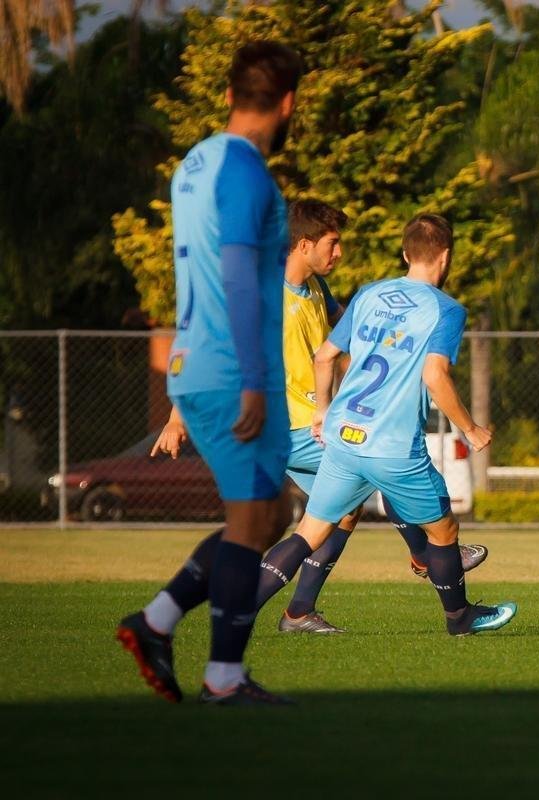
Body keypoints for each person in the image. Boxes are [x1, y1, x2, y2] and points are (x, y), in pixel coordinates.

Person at [153, 201, 491, 635]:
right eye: (332, 244)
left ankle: (298, 612)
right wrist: (177, 418)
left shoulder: (316, 290)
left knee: (340, 513)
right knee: (376, 457)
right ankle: (430, 554)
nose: (339, 253)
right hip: (287, 427)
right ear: (303, 244)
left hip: (313, 422)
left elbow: (345, 349)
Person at [115, 40, 303, 705]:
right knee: (256, 517)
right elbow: (238, 279)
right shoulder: (249, 175)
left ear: (228, 95)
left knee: (268, 512)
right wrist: (255, 378)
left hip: (195, 360)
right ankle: (223, 676)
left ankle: (156, 622)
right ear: (287, 103)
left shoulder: (193, 164)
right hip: (232, 369)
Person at [293, 213, 516, 636]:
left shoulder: (369, 293)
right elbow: (434, 376)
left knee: (315, 528)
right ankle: (456, 612)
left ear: (404, 253)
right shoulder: (445, 309)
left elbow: (326, 356)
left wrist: (325, 409)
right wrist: (471, 429)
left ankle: (259, 611)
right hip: (385, 440)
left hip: (341, 431)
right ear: (446, 257)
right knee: (443, 526)